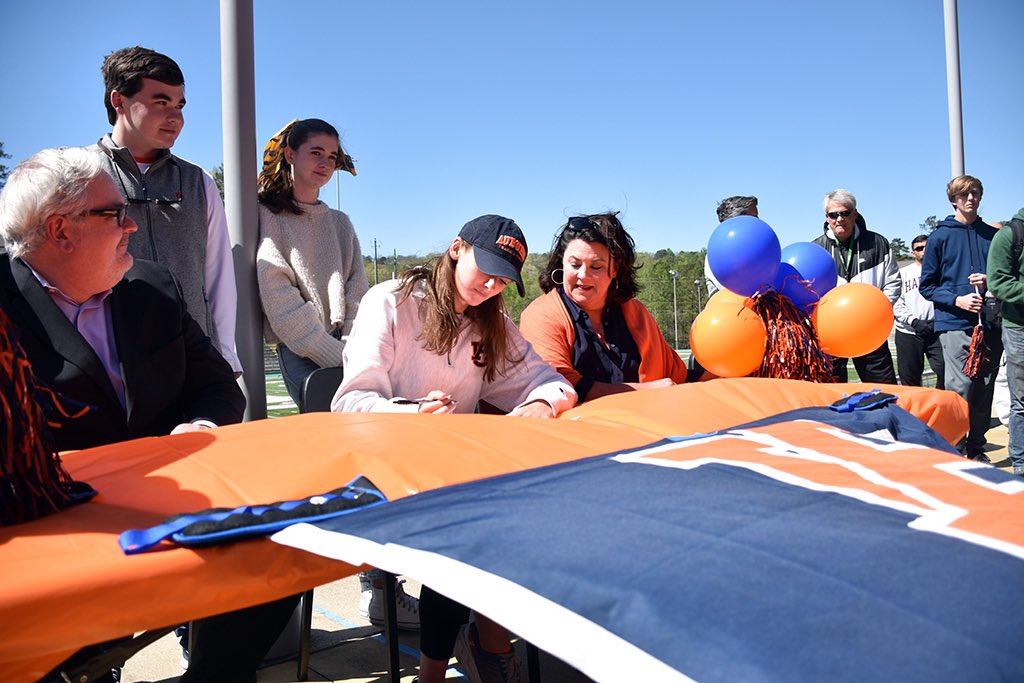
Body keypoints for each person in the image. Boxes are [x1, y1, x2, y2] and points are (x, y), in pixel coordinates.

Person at [0, 147, 285, 683]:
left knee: (278, 545)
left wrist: (196, 430)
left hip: (174, 512)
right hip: (59, 537)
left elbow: (220, 389)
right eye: (113, 213)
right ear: (60, 230)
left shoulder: (150, 286)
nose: (132, 224)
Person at [333, 214, 577, 683]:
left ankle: (478, 650)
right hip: (382, 471)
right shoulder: (389, 302)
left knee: (511, 515)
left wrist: (543, 404)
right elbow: (348, 404)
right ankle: (456, 662)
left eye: (504, 278)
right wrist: (411, 412)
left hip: (450, 477)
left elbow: (551, 382)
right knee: (469, 528)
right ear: (456, 248)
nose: (491, 284)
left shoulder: (493, 323)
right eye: (486, 267)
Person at [90, 46, 241, 374]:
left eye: (179, 105)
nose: (176, 117)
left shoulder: (199, 182)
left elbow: (218, 279)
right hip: (108, 367)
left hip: (190, 364)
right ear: (119, 101)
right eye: (161, 102)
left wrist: (225, 359)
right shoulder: (78, 175)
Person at [520, 212, 699, 402]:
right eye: (575, 264)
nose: (583, 275)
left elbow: (679, 376)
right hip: (577, 430)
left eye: (595, 267)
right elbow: (559, 385)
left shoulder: (636, 313)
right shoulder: (540, 315)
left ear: (615, 269)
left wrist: (725, 379)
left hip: (645, 428)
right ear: (562, 264)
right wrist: (644, 390)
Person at [256, 118, 368, 405]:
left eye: (331, 156)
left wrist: (349, 344)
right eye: (316, 152)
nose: (325, 163)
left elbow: (358, 287)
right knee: (320, 432)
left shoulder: (341, 223)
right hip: (298, 348)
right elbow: (275, 287)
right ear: (290, 154)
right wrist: (328, 350)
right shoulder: (267, 215)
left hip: (349, 346)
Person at [919, 175, 1002, 462]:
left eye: (975, 193)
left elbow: (1006, 278)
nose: (970, 199)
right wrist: (957, 299)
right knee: (961, 388)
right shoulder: (940, 236)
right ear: (954, 199)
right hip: (954, 325)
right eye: (964, 194)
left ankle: (977, 448)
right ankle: (957, 449)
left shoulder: (993, 236)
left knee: (984, 388)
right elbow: (926, 286)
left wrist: (990, 280)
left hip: (989, 324)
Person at [812, 189, 901, 384]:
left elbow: (893, 282)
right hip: (831, 334)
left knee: (884, 391)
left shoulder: (878, 243)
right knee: (831, 395)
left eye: (844, 213)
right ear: (827, 217)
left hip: (870, 331)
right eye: (833, 215)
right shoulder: (816, 249)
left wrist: (877, 312)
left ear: (855, 214)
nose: (839, 219)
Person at [986, 206, 1024, 476]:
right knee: (1021, 402)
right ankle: (1021, 463)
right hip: (1018, 328)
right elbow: (998, 283)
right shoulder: (1010, 234)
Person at [893, 234, 945, 388]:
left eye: (927, 247)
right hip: (908, 331)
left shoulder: (943, 271)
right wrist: (913, 322)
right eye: (919, 248)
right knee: (910, 379)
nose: (924, 251)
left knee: (945, 370)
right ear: (913, 253)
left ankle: (938, 405)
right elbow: (895, 302)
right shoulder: (902, 274)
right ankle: (914, 412)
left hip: (936, 329)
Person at [705, 195, 758, 297]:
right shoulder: (717, 256)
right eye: (754, 218)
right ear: (737, 221)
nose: (759, 222)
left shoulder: (762, 251)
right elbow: (739, 292)